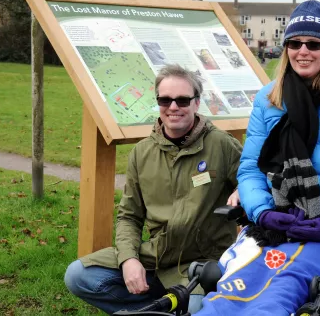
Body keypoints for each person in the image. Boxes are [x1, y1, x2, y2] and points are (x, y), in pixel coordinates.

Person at [196, 0, 320, 315]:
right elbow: (249, 170)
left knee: (281, 291)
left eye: (313, 43)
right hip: (274, 227)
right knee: (229, 289)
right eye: (294, 42)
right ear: (286, 47)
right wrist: (262, 213)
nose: (303, 51)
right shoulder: (268, 99)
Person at [64, 64, 243, 315]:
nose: (173, 107)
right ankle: (154, 309)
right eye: (165, 99)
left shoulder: (222, 145)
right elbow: (129, 215)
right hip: (156, 256)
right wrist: (129, 259)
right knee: (78, 276)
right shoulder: (142, 152)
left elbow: (254, 184)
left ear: (196, 103)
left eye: (182, 100)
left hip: (200, 263)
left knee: (197, 309)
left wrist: (242, 191)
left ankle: (159, 309)